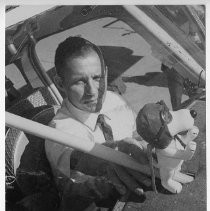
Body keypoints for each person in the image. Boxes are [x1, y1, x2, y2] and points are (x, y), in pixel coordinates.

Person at [45, 36, 151, 210]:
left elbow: (138, 134)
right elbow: (79, 158)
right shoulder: (58, 131)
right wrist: (113, 155)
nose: (93, 91)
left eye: (97, 77)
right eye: (80, 81)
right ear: (60, 84)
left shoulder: (114, 100)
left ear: (106, 73)